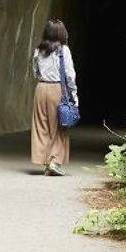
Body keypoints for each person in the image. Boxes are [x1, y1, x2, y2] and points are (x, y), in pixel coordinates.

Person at [31, 18, 78, 176]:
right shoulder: (63, 50)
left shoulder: (38, 50)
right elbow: (70, 75)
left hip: (40, 88)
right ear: (61, 33)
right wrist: (73, 95)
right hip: (57, 89)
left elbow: (35, 72)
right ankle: (53, 161)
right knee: (59, 127)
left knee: (41, 126)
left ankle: (44, 160)